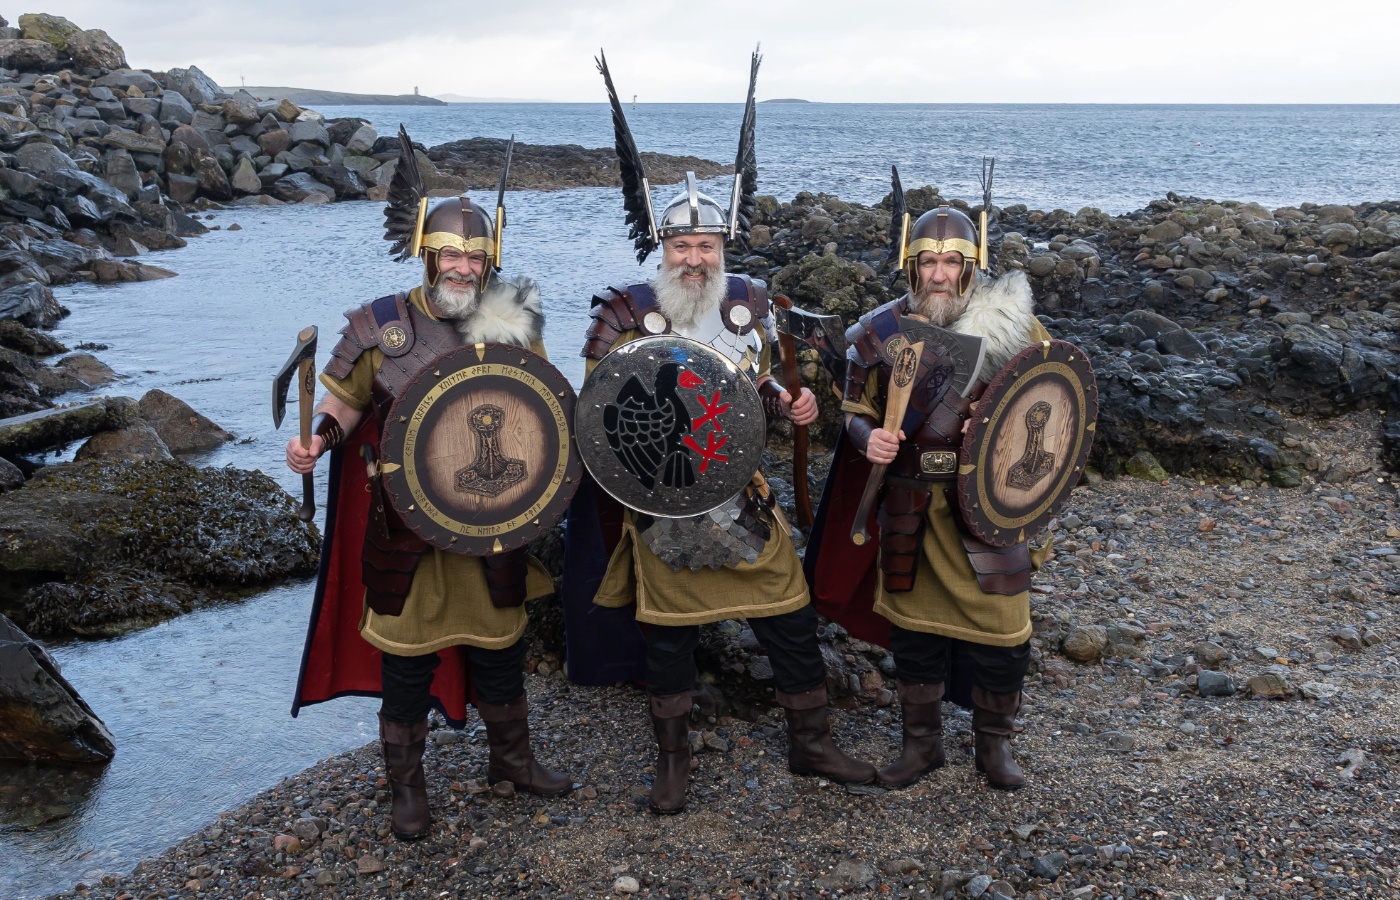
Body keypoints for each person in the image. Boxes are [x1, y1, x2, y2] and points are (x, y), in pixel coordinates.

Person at [564, 50, 875, 816]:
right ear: (661, 250)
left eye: (706, 247)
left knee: (785, 611)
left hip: (744, 496)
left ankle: (811, 743)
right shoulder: (626, 310)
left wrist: (790, 407)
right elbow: (597, 411)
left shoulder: (751, 304)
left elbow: (760, 385)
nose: (695, 259)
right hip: (662, 504)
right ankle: (672, 763)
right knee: (668, 635)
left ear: (723, 249)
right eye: (682, 248)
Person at [287, 130, 569, 842]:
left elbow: (541, 412)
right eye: (450, 254)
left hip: (491, 514)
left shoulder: (514, 321)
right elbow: (343, 405)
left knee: (501, 640)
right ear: (426, 252)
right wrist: (315, 443)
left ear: (490, 260)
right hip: (406, 522)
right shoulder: (382, 326)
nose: (463, 267)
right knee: (408, 656)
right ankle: (406, 790)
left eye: (475, 257)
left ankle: (512, 761)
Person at [806, 177, 1052, 792]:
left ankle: (994, 750)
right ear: (910, 266)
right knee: (913, 629)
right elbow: (853, 410)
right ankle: (922, 747)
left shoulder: (1019, 332)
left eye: (952, 263)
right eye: (928, 263)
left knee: (1004, 627)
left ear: (973, 267)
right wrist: (869, 441)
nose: (939, 275)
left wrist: (995, 429)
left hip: (987, 505)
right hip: (911, 500)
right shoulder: (877, 331)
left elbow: (1048, 411)